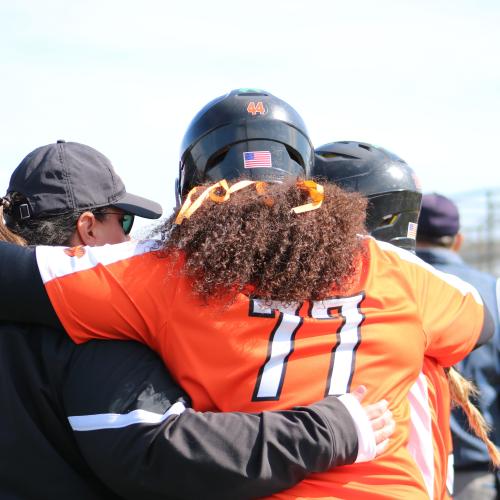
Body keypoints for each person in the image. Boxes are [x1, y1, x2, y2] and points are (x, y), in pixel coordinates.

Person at [0, 92, 493, 499]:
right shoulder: (391, 267)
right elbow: (481, 321)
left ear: (192, 185)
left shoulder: (162, 272)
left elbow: (17, 276)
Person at [416, 193, 500, 500]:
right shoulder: (493, 290)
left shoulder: (391, 282)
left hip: (405, 470)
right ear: (458, 240)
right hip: (474, 472)